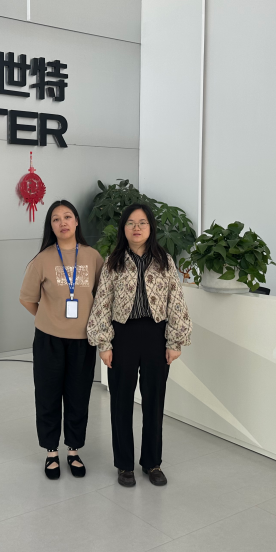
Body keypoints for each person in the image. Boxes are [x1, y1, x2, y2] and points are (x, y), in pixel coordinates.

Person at [87, 204, 192, 487]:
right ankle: (124, 465)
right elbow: (102, 303)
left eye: (142, 222)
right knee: (121, 402)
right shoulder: (113, 262)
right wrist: (104, 344)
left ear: (150, 227)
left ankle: (152, 463)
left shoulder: (164, 260)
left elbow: (176, 301)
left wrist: (175, 340)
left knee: (154, 402)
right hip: (123, 335)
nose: (137, 228)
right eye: (131, 223)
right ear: (123, 228)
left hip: (156, 334)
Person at [20, 200, 104, 480]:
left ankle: (74, 450)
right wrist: (49, 318)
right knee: (48, 396)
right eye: (56, 219)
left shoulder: (93, 257)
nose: (62, 222)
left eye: (67, 216)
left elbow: (103, 297)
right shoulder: (42, 259)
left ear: (77, 221)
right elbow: (27, 298)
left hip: (83, 341)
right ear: (51, 226)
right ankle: (51, 452)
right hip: (49, 340)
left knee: (78, 396)